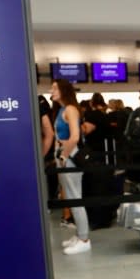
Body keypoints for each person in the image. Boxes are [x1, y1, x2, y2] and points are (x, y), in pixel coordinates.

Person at [51, 79, 91, 255]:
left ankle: (84, 239)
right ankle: (79, 235)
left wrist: (63, 155)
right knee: (71, 198)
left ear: (63, 90)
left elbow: (74, 137)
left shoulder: (71, 109)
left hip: (70, 157)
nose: (51, 91)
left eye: (54, 88)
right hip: (63, 157)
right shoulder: (61, 110)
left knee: (76, 198)